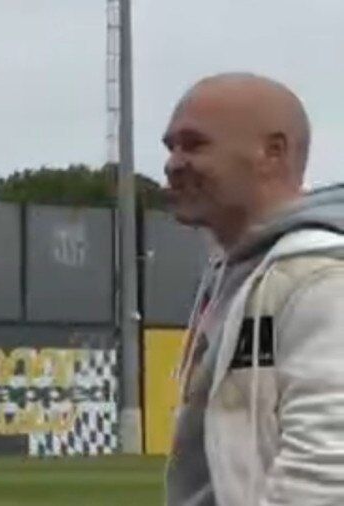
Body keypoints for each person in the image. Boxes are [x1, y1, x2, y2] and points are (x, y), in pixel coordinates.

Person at [164, 72, 344, 505]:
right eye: (171, 147)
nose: (173, 164)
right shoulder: (247, 271)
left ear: (272, 152)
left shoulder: (320, 275)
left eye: (194, 144)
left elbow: (328, 469)